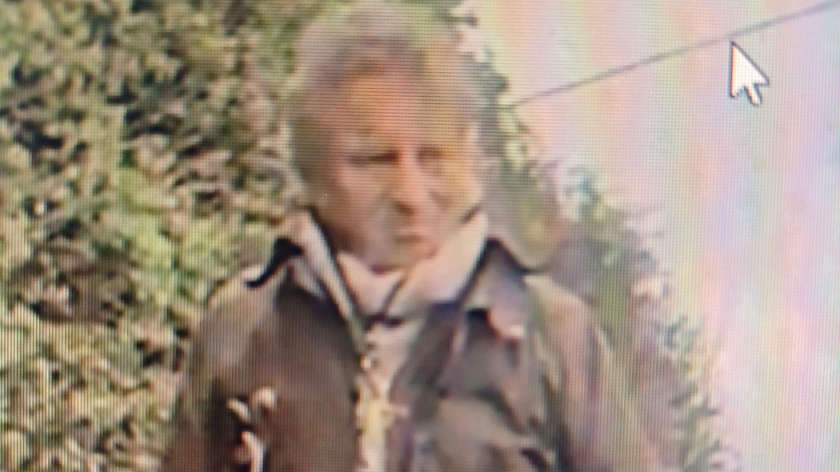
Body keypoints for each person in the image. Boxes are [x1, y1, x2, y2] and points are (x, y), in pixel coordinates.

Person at [162, 1, 664, 470]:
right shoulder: (243, 330)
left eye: (434, 157)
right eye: (375, 161)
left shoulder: (548, 334)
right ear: (312, 174)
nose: (410, 194)